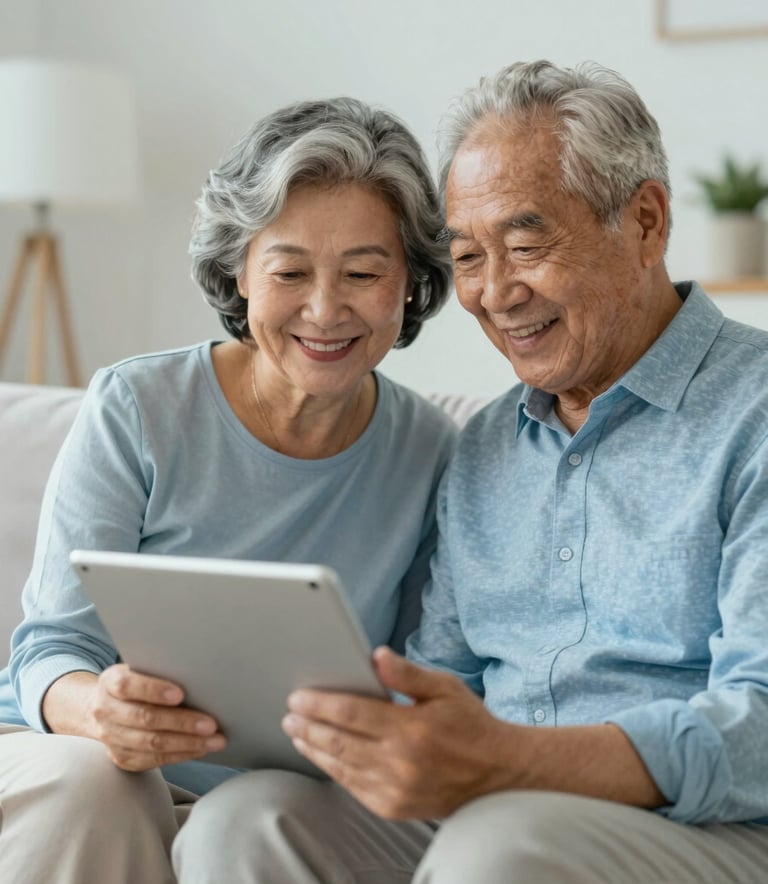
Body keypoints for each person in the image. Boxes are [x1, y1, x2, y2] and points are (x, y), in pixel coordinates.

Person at [173, 61, 768, 882]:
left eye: (524, 246)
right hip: (487, 807)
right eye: (468, 257)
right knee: (247, 820)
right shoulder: (486, 444)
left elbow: (758, 728)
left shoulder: (753, 411)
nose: (495, 292)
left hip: (708, 825)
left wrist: (511, 760)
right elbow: (440, 680)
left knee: (496, 851)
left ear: (645, 222)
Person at [0, 97, 457, 883]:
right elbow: (50, 649)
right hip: (85, 762)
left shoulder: (433, 452)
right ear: (239, 271)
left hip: (280, 810)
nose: (325, 309)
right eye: (290, 272)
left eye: (363, 273)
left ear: (410, 283)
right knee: (96, 782)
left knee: (248, 820)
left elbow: (426, 685)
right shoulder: (137, 407)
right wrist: (101, 711)